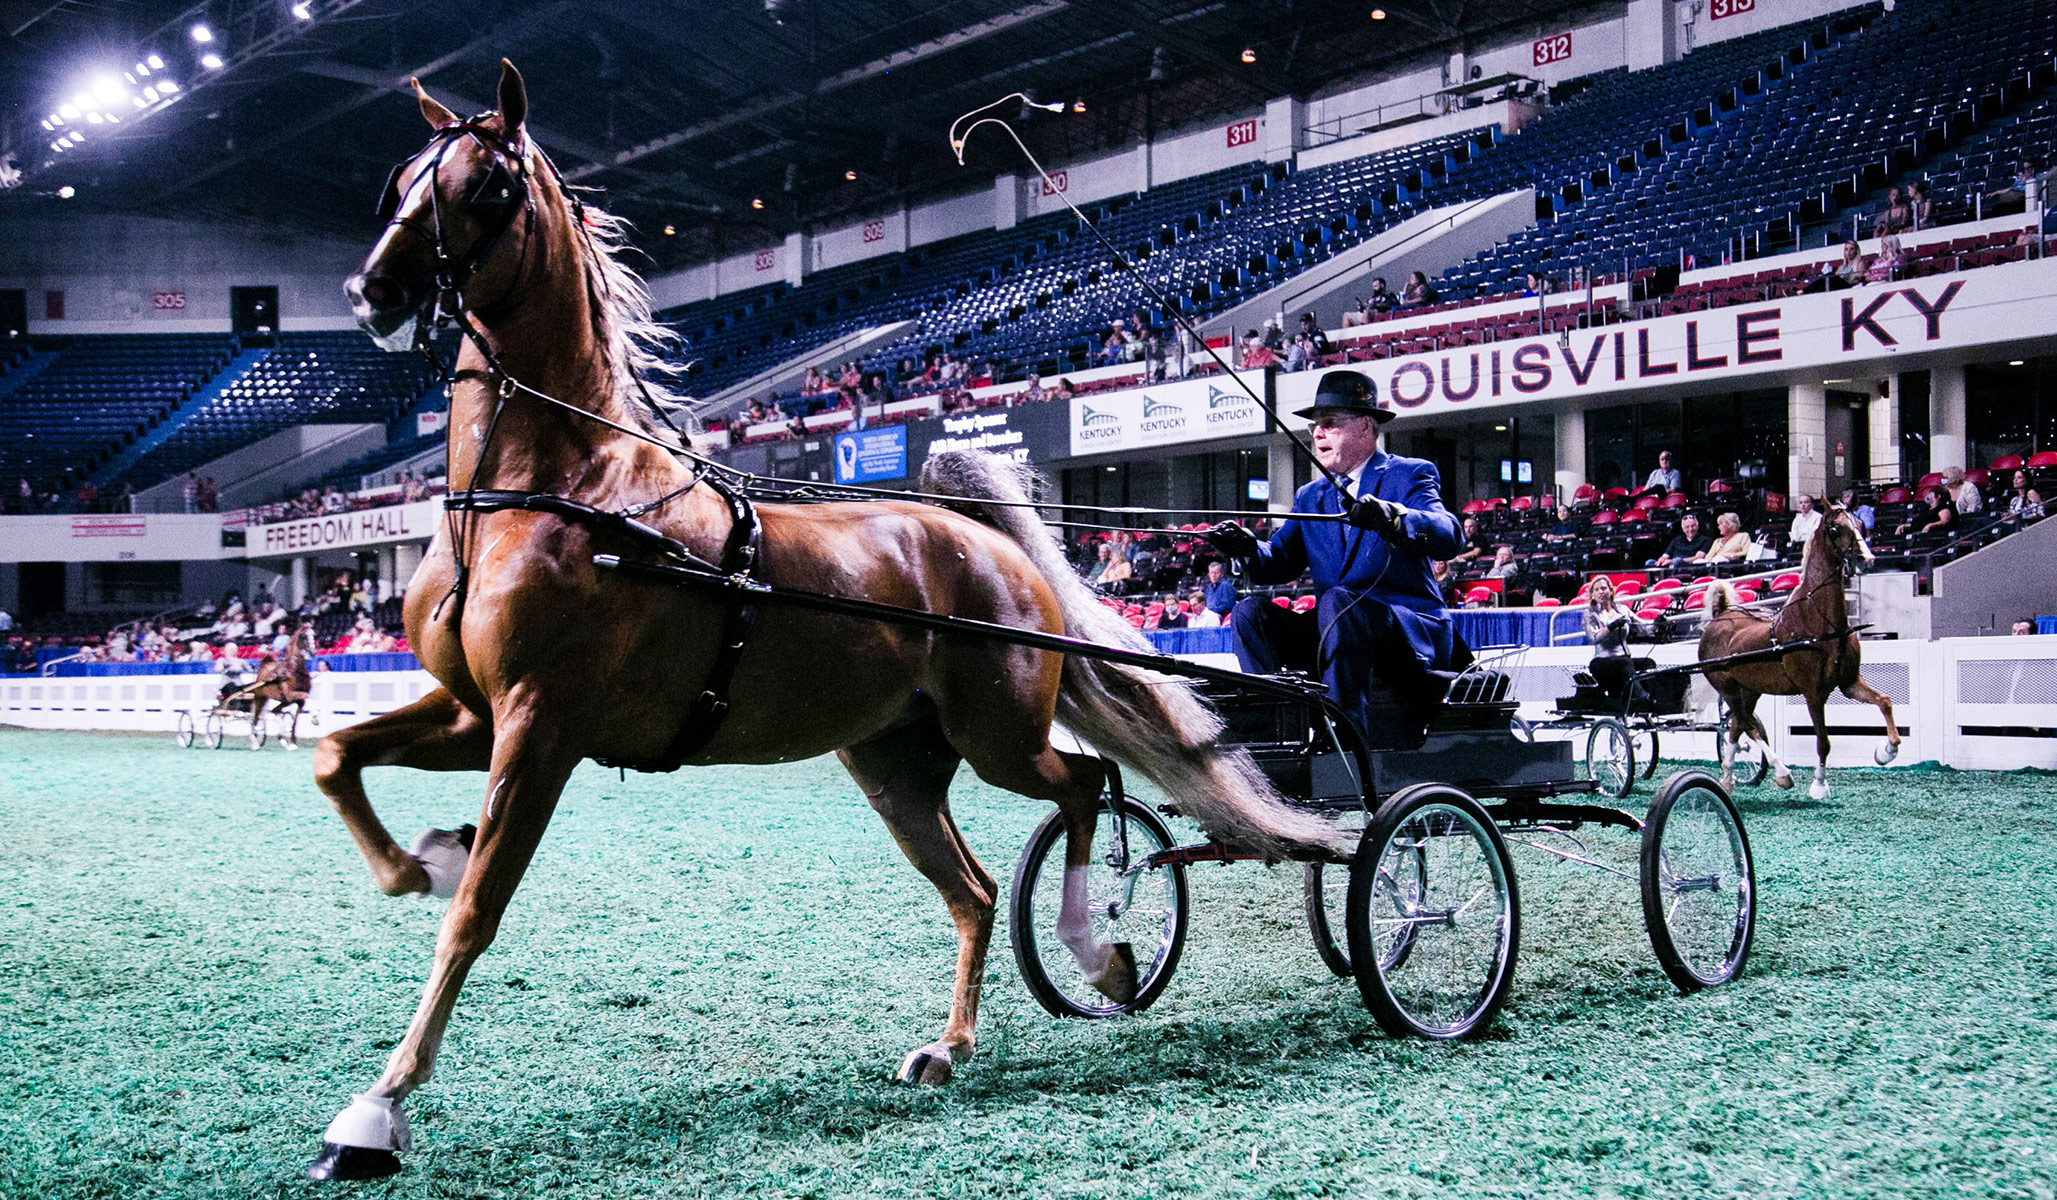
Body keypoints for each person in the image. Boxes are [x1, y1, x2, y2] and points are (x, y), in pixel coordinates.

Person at [1204, 370, 1465, 740]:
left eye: (1329, 424)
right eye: (1314, 426)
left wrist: (1393, 517)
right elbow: (1278, 561)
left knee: (1339, 600)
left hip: (1406, 631)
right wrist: (1245, 548)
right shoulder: (1310, 495)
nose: (1317, 433)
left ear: (1363, 427)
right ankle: (1277, 730)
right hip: (1338, 629)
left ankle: (1345, 736)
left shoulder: (1410, 475)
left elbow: (1448, 534)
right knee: (1250, 613)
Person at [1582, 576, 1646, 704]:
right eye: (1597, 589)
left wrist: (1657, 623)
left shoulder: (1623, 610)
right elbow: (1594, 638)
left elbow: (1643, 628)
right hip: (1601, 661)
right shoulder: (1590, 613)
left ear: (1611, 591)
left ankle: (1650, 697)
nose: (1601, 592)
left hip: (1623, 658)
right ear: (1592, 594)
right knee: (1624, 663)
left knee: (1648, 663)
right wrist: (1611, 626)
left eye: (1604, 588)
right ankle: (1642, 697)